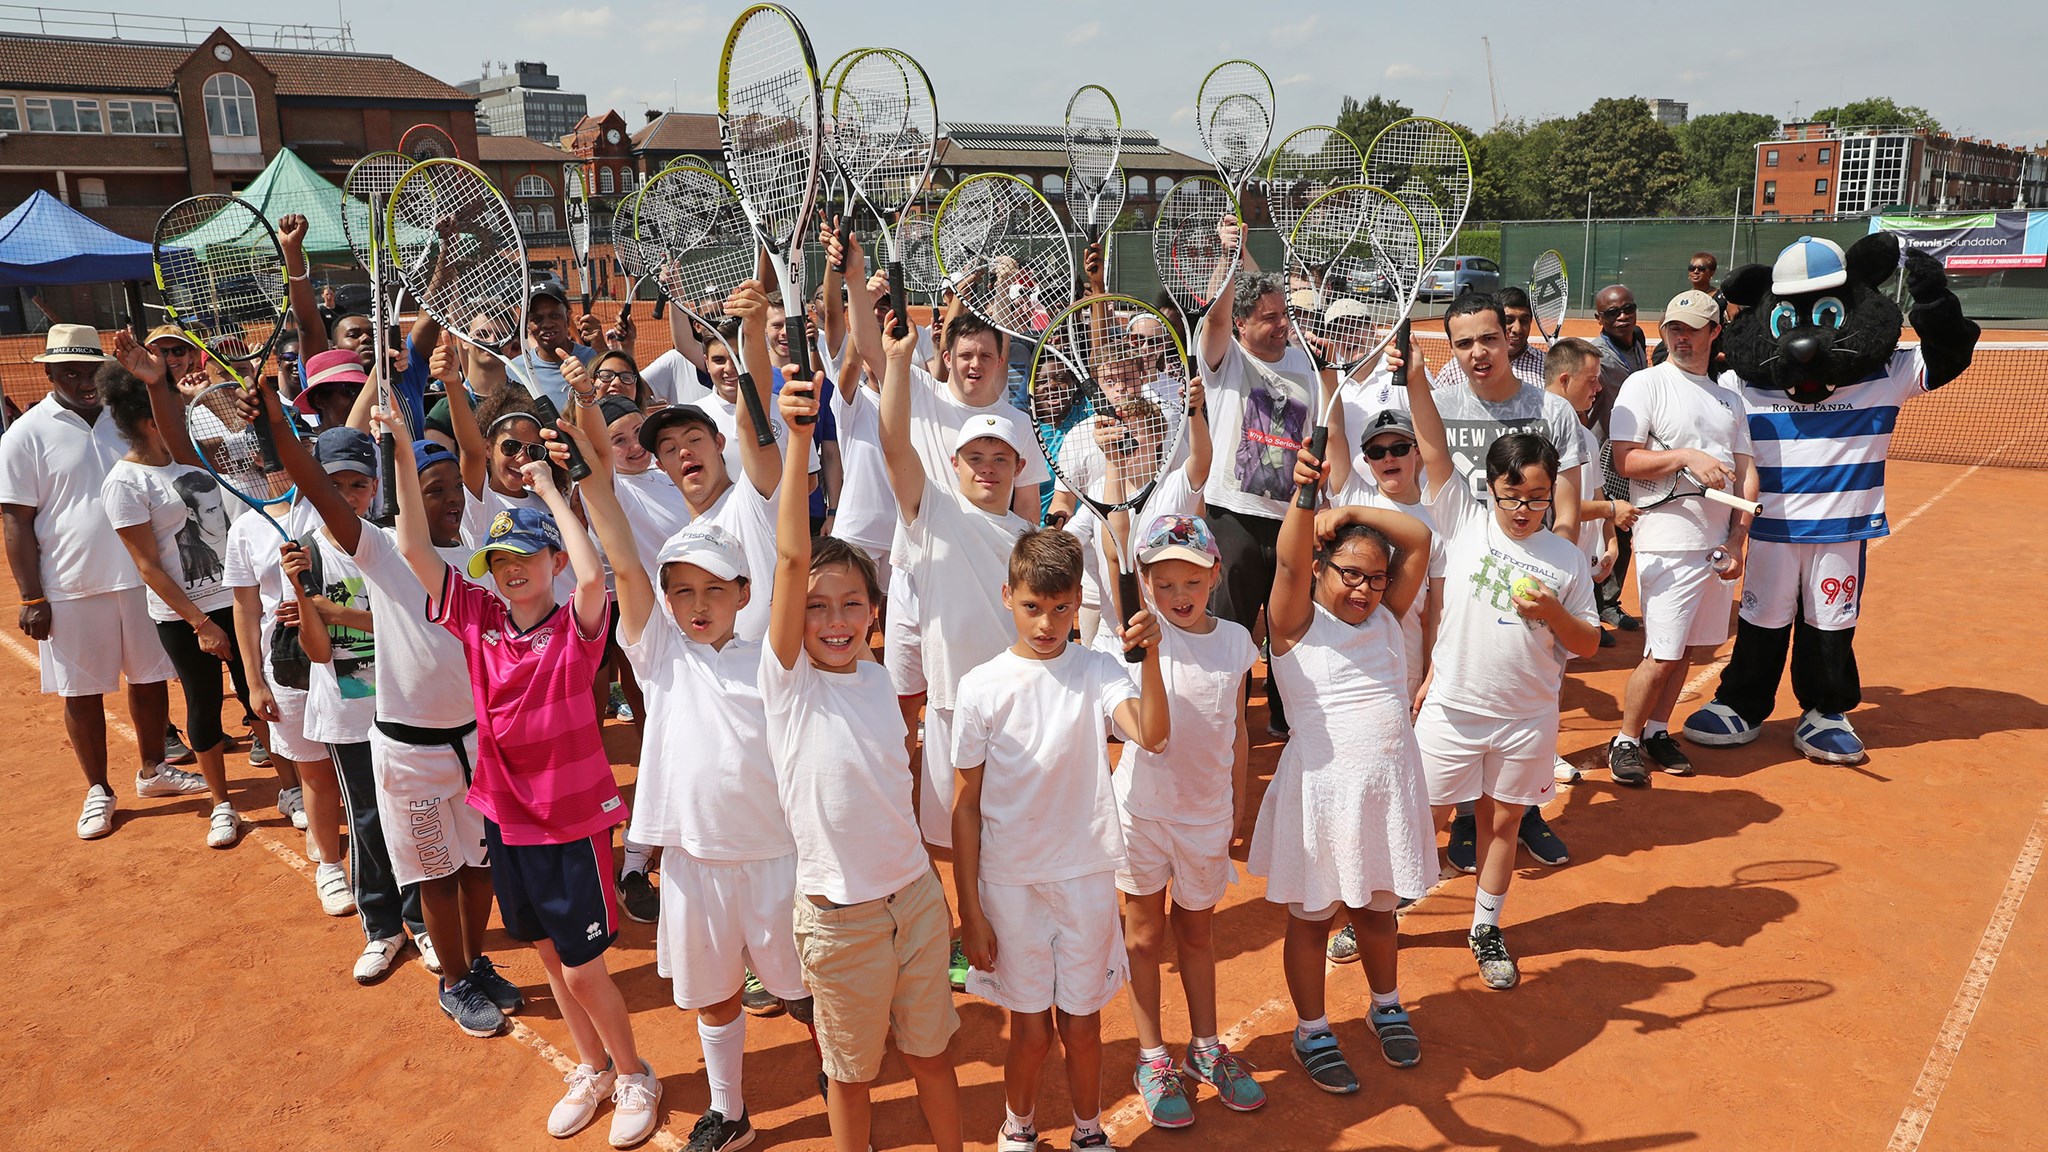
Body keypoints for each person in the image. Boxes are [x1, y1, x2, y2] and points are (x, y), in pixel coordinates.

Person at [394, 426, 661, 1147]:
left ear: (550, 559)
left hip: (569, 823)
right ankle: (593, 1067)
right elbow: (416, 552)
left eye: (526, 557)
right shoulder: (480, 622)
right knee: (548, 956)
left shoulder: (577, 628)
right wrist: (397, 446)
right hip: (507, 820)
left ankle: (634, 1072)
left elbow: (593, 575)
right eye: (500, 560)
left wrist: (548, 491)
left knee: (582, 968)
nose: (512, 570)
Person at [567, 390, 805, 1152]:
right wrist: (589, 478)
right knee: (714, 996)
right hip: (695, 863)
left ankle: (841, 1071)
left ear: (744, 595)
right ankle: (730, 1111)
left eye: (715, 590)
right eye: (682, 593)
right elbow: (624, 565)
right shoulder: (659, 650)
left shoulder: (772, 658)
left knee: (803, 990)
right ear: (665, 603)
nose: (697, 605)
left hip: (777, 855)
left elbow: (794, 553)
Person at [765, 355, 964, 1152]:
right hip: (839, 919)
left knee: (934, 1059)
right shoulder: (789, 682)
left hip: (914, 900)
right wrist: (796, 441)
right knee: (850, 1074)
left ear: (875, 612)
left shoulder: (880, 679)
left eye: (852, 604)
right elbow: (787, 562)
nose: (836, 620)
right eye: (817, 608)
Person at [953, 529, 1168, 1152]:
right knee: (1031, 1033)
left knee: (1082, 1027)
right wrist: (969, 908)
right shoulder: (980, 687)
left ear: (1079, 601)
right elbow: (965, 809)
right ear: (1007, 596)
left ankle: (1087, 1131)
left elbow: (1152, 735)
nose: (1047, 623)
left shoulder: (1101, 669)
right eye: (1032, 607)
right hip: (1010, 887)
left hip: (1085, 881)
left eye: (1061, 607)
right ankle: (1017, 1126)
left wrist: (1148, 657)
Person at [1402, 343, 1602, 989]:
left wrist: (1554, 614)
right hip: (1453, 707)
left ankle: (1486, 925)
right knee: (1420, 817)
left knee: (1503, 821)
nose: (1524, 508)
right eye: (1513, 494)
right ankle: (1388, 904)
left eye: (1538, 497)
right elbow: (1432, 448)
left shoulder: (1565, 561)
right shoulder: (1461, 520)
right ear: (1491, 487)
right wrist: (1414, 382)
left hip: (1526, 717)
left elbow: (1591, 645)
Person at [1248, 442, 1434, 1093]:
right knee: (1312, 918)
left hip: (1384, 793)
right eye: (1349, 574)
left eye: (1375, 576)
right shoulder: (1294, 623)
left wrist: (1350, 510)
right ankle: (1312, 1029)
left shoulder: (1384, 616)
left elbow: (1419, 540)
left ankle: (1387, 1004)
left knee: (1380, 913)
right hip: (1323, 797)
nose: (1364, 587)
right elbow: (1289, 560)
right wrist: (1308, 503)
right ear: (1320, 569)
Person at [1110, 513, 1263, 1128]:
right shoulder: (1135, 639)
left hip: (1206, 817)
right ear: (1144, 583)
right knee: (1144, 938)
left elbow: (1239, 727)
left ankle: (1204, 1048)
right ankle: (1152, 1056)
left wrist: (1239, 797)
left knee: (1197, 936)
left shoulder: (1233, 642)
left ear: (1214, 578)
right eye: (1165, 583)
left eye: (1192, 583)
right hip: (1142, 815)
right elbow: (1131, 716)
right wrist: (1135, 642)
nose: (1179, 596)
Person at [0, 325, 179, 840]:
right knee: (81, 693)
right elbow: (15, 518)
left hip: (145, 577)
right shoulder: (26, 433)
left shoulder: (126, 418)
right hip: (71, 585)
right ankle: (98, 789)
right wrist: (32, 595)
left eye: (90, 370)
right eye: (70, 372)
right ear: (49, 373)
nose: (83, 381)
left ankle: (153, 770)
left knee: (149, 680)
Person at [1605, 292, 1758, 786]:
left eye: (1693, 328)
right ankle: (1625, 740)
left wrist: (1738, 540)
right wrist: (1686, 456)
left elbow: (1745, 471)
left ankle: (1655, 730)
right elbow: (1625, 459)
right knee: (1664, 652)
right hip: (1667, 540)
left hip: (1716, 545)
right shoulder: (1643, 384)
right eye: (1674, 327)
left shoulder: (1730, 399)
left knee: (1689, 647)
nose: (1681, 336)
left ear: (1715, 333)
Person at [96, 360, 250, 850]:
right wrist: (201, 622)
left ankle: (291, 789)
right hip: (187, 618)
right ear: (149, 422)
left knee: (257, 693)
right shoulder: (124, 483)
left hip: (238, 599)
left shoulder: (184, 457)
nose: (184, 419)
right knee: (203, 704)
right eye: (174, 414)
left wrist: (157, 377)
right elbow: (148, 566)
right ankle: (222, 804)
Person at [1196, 216, 1325, 734]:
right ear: (1243, 325)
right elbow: (1216, 317)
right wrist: (1229, 256)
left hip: (1293, 518)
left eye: (1283, 316)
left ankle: (1285, 718)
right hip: (1236, 517)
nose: (1281, 325)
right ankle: (1220, 722)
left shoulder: (1304, 364)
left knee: (1290, 627)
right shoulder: (1225, 360)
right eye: (1268, 318)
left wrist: (1245, 251)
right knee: (1230, 628)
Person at [633, 281, 786, 643]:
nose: (683, 451)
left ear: (720, 442)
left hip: (780, 683)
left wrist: (752, 327)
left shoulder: (753, 498)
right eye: (669, 448)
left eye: (694, 439)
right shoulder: (678, 549)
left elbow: (753, 418)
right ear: (660, 465)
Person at [1545, 337, 1638, 782]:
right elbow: (1549, 507)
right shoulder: (1537, 429)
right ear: (1565, 379)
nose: (1598, 388)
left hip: (1575, 571)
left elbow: (1596, 494)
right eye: (1592, 379)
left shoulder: (1581, 432)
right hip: (1543, 572)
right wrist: (1610, 514)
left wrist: (1609, 543)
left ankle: (1543, 751)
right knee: (1537, 671)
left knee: (1556, 669)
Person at [1590, 284, 1648, 633]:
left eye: (1628, 308)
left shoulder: (1638, 340)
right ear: (1599, 318)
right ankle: (1590, 609)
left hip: (1633, 456)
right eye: (1613, 313)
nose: (1623, 316)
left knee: (1626, 532)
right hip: (1601, 459)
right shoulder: (1594, 353)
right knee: (1599, 535)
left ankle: (1609, 604)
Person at [1430, 286, 1547, 391]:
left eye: (1524, 321)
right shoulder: (1452, 372)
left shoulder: (1548, 366)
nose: (1517, 329)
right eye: (1508, 320)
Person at [517, 282, 600, 408]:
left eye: (554, 316)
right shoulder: (516, 371)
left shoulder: (593, 359)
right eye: (537, 319)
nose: (547, 324)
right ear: (527, 324)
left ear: (567, 318)